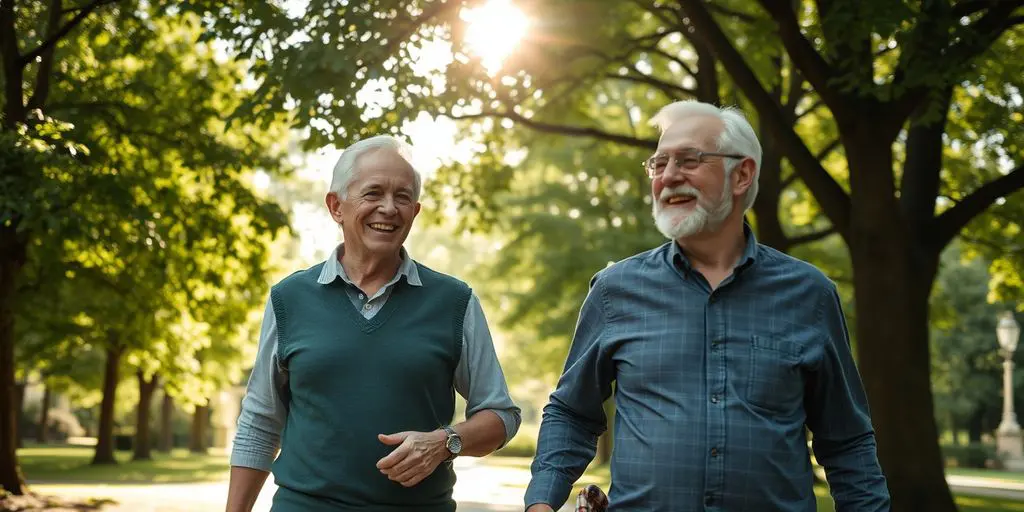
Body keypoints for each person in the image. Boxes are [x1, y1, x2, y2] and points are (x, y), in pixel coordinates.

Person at [524, 100, 891, 511]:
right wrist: (541, 502)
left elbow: (847, 442)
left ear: (742, 174)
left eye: (688, 160)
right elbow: (571, 412)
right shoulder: (615, 290)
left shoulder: (811, 295)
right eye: (659, 164)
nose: (669, 176)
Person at [226, 135, 521, 512]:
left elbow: (502, 415)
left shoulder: (454, 301)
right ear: (336, 206)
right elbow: (261, 422)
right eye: (373, 193)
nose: (389, 208)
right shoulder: (289, 299)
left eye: (402, 197)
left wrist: (444, 442)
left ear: (415, 212)